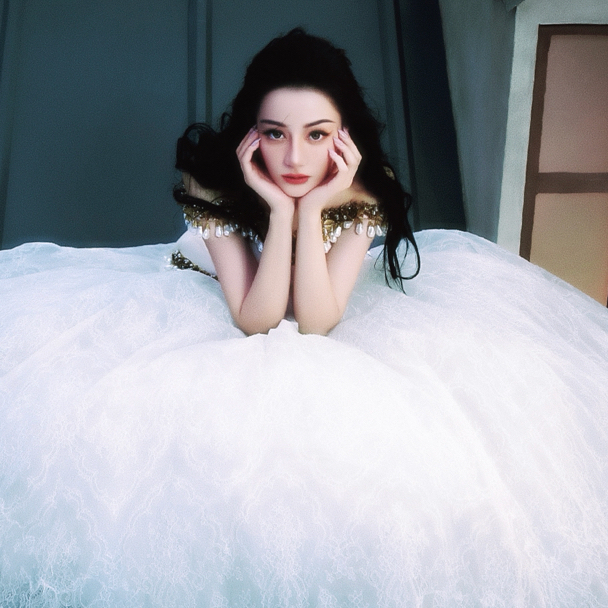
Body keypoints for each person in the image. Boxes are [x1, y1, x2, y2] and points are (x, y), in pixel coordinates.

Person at [171, 28, 419, 335]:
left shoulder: (362, 191)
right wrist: (280, 211)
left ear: (345, 134)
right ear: (251, 131)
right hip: (212, 293)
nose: (295, 159)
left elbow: (316, 323)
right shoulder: (212, 184)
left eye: (316, 134)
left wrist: (312, 208)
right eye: (275, 133)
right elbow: (257, 323)